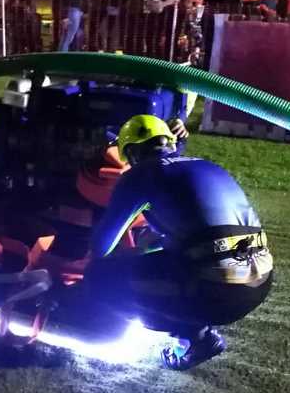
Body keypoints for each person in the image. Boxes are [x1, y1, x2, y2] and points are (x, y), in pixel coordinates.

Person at [86, 115, 273, 370]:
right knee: (180, 260)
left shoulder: (140, 174)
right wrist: (151, 246)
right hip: (259, 284)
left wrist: (132, 252)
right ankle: (197, 329)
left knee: (99, 277)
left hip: (217, 291)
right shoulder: (209, 166)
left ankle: (194, 338)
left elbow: (101, 246)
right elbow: (205, 233)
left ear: (131, 153)